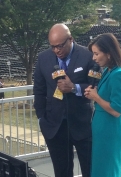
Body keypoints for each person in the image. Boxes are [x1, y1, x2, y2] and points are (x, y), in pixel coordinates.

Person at [33, 24, 95, 177]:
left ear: (70, 39)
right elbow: (39, 91)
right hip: (54, 126)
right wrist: (41, 118)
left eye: (60, 46)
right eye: (53, 46)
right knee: (61, 172)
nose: (57, 50)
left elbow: (96, 86)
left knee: (90, 170)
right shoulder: (43, 58)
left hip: (82, 124)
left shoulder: (88, 56)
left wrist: (74, 88)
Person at [84, 33, 121, 177]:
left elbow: (117, 110)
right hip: (101, 130)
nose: (94, 58)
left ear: (109, 53)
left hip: (110, 131)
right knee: (100, 170)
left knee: (107, 171)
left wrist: (96, 97)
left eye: (97, 54)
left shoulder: (119, 74)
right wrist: (94, 93)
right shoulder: (108, 72)